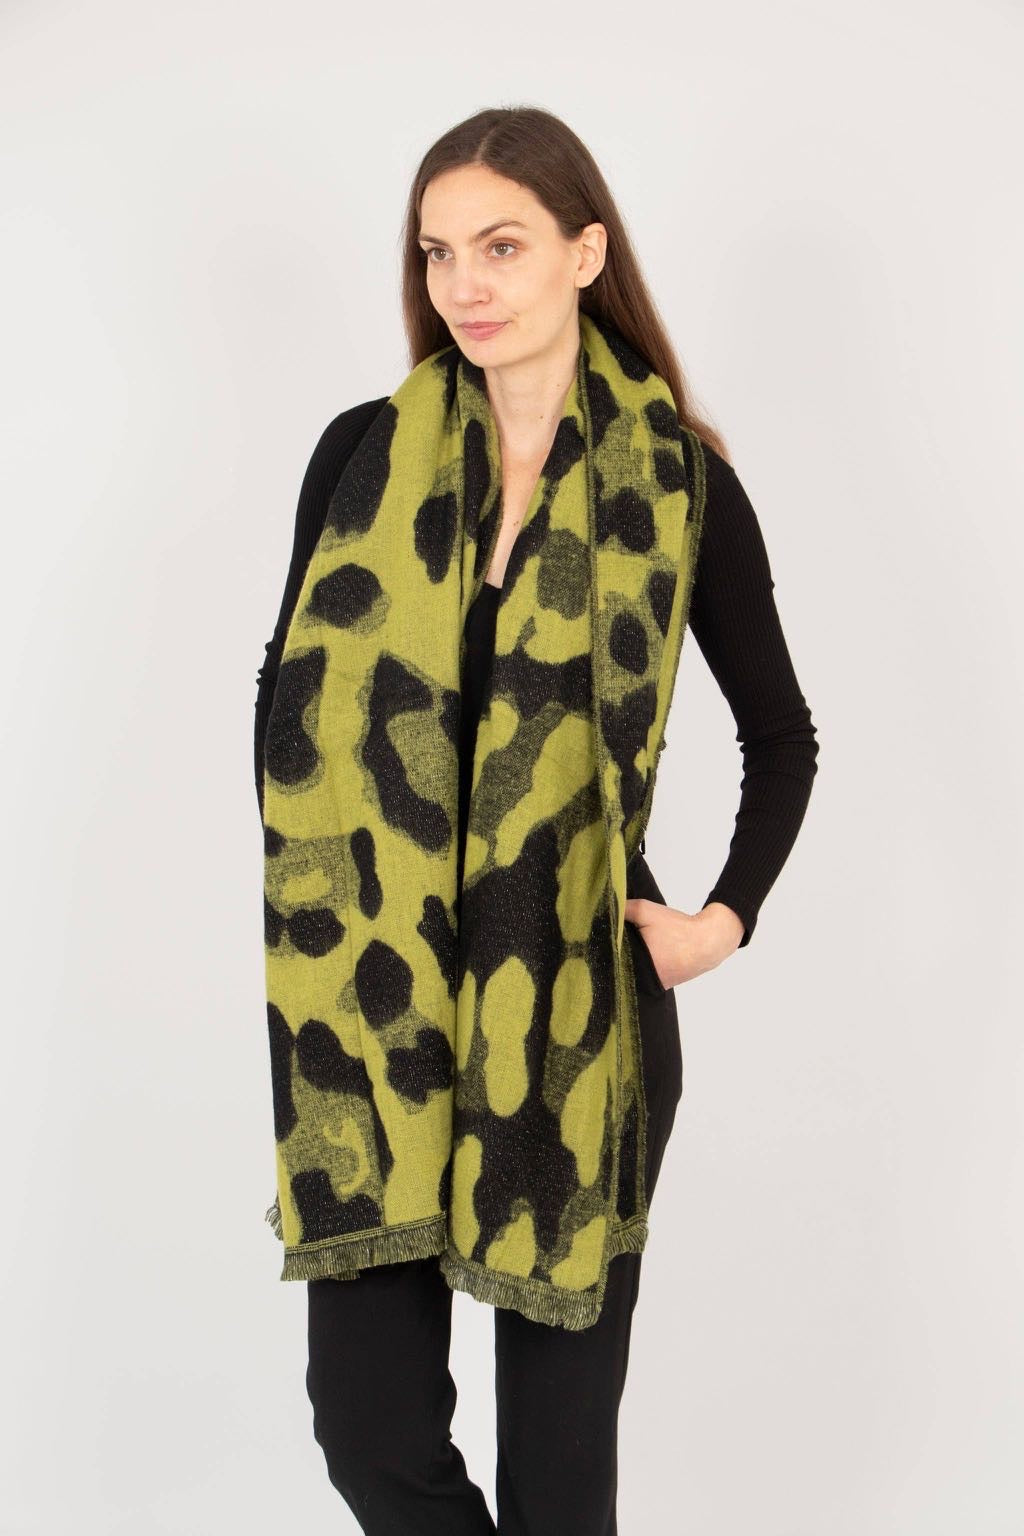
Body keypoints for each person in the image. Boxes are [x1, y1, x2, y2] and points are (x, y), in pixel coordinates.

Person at [254, 106, 819, 1535]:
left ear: (585, 252)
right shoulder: (359, 457)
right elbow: (285, 700)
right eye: (438, 252)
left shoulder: (680, 485)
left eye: (501, 246)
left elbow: (782, 739)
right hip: (374, 1014)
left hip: (580, 1015)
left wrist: (719, 921)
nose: (466, 284)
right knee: (368, 1428)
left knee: (559, 1482)